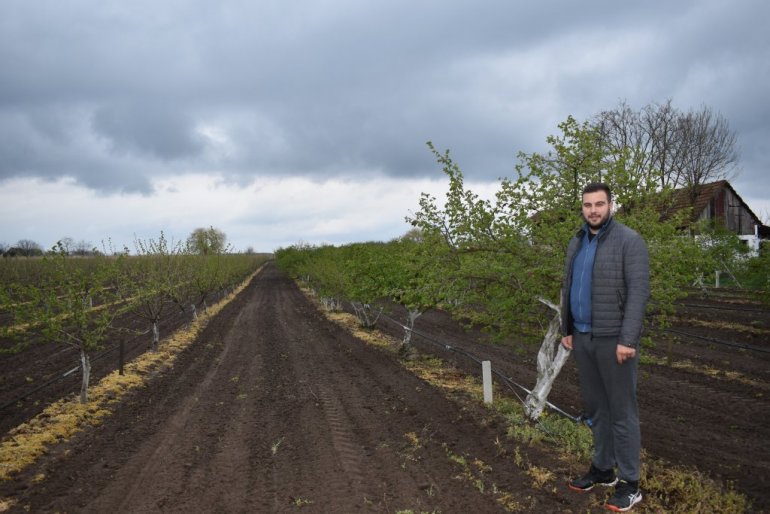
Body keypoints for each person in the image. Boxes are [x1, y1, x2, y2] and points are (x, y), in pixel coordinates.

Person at [561, 182, 650, 512]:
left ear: (611, 205)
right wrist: (567, 329)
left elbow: (638, 292)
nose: (593, 210)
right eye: (587, 205)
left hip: (614, 340)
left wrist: (628, 339)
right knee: (597, 409)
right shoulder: (577, 241)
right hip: (583, 337)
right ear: (582, 208)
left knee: (622, 412)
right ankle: (602, 469)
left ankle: (630, 483)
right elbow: (569, 286)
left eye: (599, 204)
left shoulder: (629, 240)